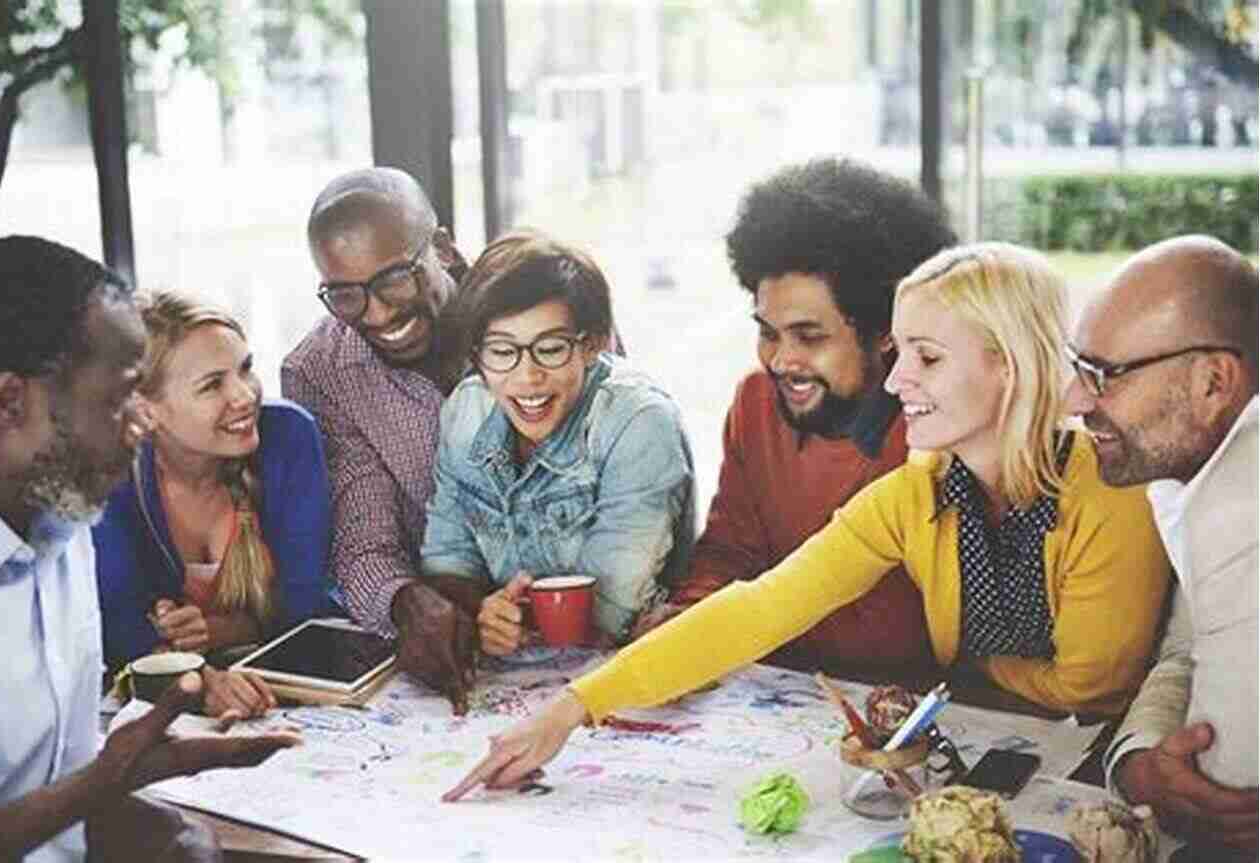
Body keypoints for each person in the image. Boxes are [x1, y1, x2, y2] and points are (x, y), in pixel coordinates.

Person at [443, 242, 1174, 801]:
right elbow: (763, 607)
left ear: (1007, 366)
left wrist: (962, 672)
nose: (895, 381)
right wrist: (572, 708)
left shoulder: (1107, 483)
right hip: (990, 753)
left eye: (925, 355)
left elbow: (1088, 686)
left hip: (1100, 776)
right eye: (898, 351)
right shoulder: (918, 491)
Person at [0, 236, 297, 862]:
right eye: (119, 401)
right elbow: (82, 788)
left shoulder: (63, 530)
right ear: (10, 401)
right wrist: (105, 784)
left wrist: (166, 833)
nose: (142, 428)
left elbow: (57, 796)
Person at [632, 156, 955, 672]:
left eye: (811, 336)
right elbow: (731, 550)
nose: (782, 360)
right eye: (768, 332)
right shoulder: (755, 404)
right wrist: (689, 615)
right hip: (777, 697)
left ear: (887, 330)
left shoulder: (939, 431)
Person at [1068, 235, 1258, 854]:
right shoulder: (1191, 472)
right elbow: (1189, 644)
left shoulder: (1242, 496)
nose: (1074, 401)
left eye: (1103, 375)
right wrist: (1139, 760)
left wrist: (1158, 783)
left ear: (1213, 382)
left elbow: (1225, 795)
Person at [421, 230, 694, 653]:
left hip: (627, 660)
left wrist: (506, 617)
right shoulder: (466, 411)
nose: (527, 376)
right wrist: (486, 610)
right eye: (501, 350)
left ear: (593, 344)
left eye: (550, 349)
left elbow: (611, 609)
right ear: (476, 355)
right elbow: (445, 561)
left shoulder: (638, 422)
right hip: (514, 672)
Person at [283, 167, 484, 714]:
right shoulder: (319, 371)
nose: (377, 314)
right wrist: (405, 601)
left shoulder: (541, 305)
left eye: (394, 277)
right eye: (345, 295)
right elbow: (363, 540)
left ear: (441, 249)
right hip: (458, 644)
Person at [93, 291, 335, 709]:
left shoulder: (289, 436)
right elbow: (117, 626)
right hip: (165, 695)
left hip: (285, 681)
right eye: (212, 385)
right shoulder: (110, 475)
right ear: (146, 410)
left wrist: (219, 631)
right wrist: (197, 675)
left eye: (245, 369)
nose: (244, 396)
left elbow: (308, 601)